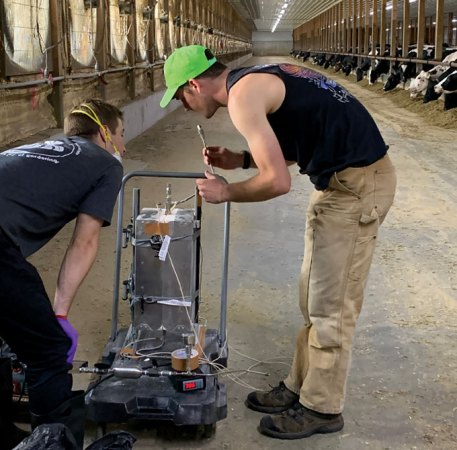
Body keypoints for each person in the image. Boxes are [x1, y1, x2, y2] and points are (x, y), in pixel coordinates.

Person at [160, 45, 397, 440]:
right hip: (337, 182)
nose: (183, 106)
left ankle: (322, 407)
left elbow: (278, 182)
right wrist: (241, 160)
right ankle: (299, 385)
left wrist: (226, 191)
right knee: (312, 297)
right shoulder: (259, 79)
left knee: (332, 307)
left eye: (181, 96)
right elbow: (297, 137)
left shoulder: (241, 97)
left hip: (357, 188)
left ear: (194, 84)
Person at [0, 99, 125, 449]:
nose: (124, 145)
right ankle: (51, 443)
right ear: (105, 133)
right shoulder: (105, 164)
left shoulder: (31, 149)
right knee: (48, 349)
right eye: (121, 134)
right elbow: (84, 243)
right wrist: (59, 313)